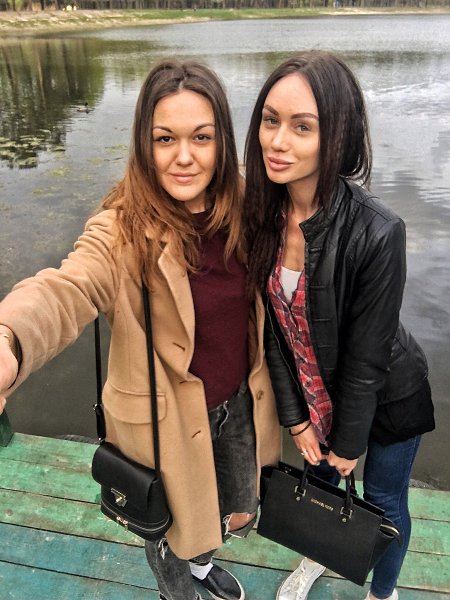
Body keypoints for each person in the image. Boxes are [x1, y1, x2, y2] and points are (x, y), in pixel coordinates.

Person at [0, 59, 281, 600]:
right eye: (165, 138)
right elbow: (67, 287)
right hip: (164, 419)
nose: (184, 156)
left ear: (222, 141)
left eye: (201, 137)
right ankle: (179, 591)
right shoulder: (120, 229)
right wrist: (10, 339)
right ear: (144, 144)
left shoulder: (245, 210)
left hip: (237, 406)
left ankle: (202, 566)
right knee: (169, 525)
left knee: (232, 507)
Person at [243, 51, 435, 600]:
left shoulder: (378, 231)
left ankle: (383, 592)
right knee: (323, 489)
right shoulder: (260, 215)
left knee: (385, 502)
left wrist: (349, 442)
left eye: (302, 127)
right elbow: (274, 334)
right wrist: (296, 420)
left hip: (390, 394)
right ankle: (319, 557)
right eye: (271, 120)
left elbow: (368, 359)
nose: (278, 141)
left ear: (339, 137)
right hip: (315, 396)